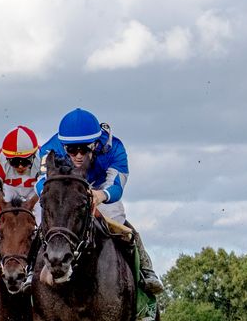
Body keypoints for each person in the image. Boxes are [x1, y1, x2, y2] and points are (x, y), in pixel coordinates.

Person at [35, 108, 163, 295]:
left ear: (95, 143)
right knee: (45, 223)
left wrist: (98, 196)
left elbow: (117, 187)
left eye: (85, 149)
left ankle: (145, 271)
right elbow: (41, 184)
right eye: (72, 150)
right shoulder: (49, 150)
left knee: (118, 221)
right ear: (63, 146)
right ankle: (30, 272)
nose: (78, 155)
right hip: (65, 189)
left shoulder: (115, 148)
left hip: (100, 188)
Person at [0, 125, 41, 304]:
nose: (20, 166)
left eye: (25, 162)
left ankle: (34, 270)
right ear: (7, 158)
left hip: (35, 192)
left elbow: (46, 191)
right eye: (15, 162)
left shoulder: (43, 160)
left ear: (34, 156)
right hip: (8, 191)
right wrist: (1, 219)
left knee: (41, 228)